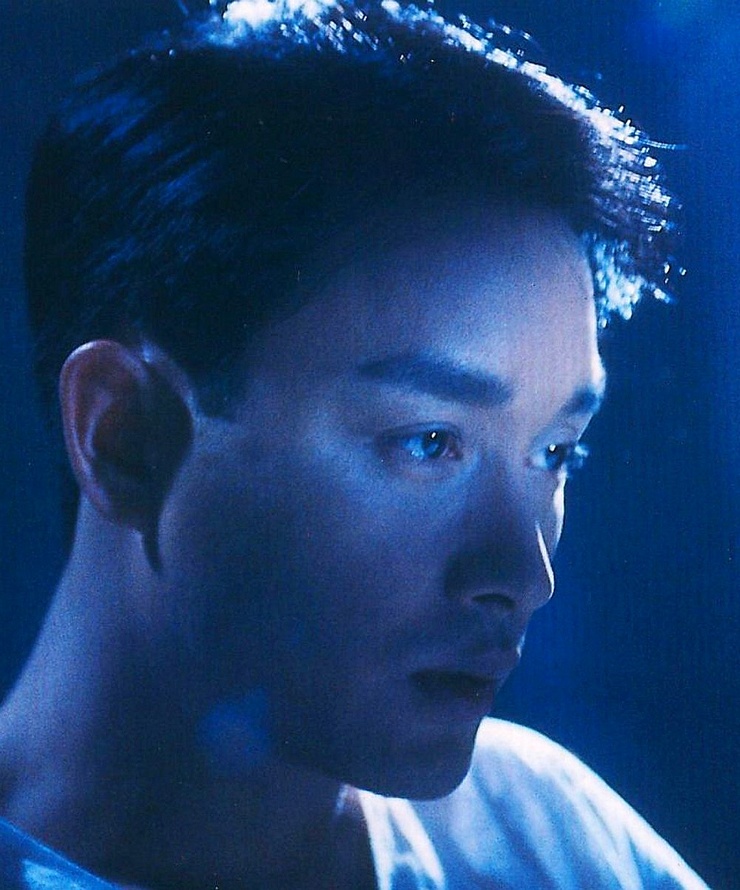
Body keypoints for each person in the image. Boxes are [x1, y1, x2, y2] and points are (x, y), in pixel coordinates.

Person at [0, 0, 709, 887]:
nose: (525, 576)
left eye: (554, 452)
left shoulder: (546, 837)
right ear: (125, 438)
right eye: (429, 442)